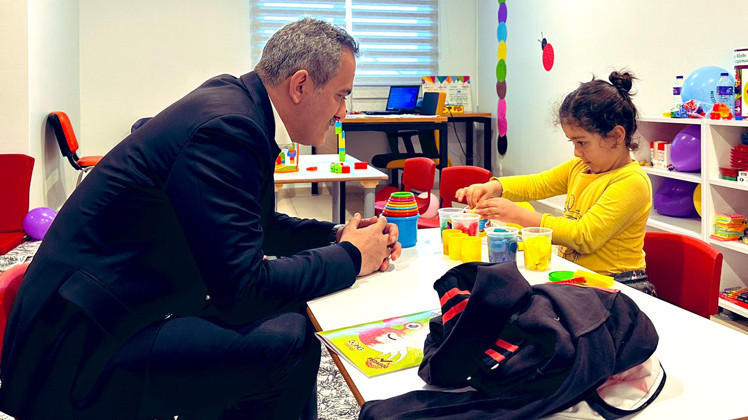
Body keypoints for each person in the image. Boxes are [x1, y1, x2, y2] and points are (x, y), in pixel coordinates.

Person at [0, 18, 401, 420]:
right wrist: (351, 257)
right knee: (290, 343)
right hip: (77, 352)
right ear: (300, 85)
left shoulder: (237, 105)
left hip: (111, 310)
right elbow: (244, 290)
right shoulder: (228, 128)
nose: (343, 112)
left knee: (288, 314)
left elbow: (256, 226)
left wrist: (337, 235)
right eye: (341, 96)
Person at [457, 70, 656, 295]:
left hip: (619, 285)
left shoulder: (631, 181)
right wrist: (496, 187)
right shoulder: (579, 168)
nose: (576, 152)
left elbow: (583, 236)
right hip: (580, 278)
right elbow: (538, 183)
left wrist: (518, 215)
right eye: (573, 142)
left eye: (582, 142)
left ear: (617, 136)